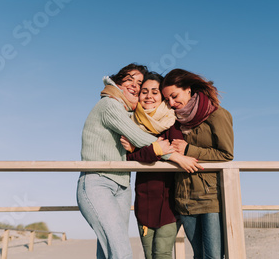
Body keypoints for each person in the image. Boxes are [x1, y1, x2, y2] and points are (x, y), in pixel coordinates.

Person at [77, 63, 173, 259]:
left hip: (122, 186)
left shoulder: (130, 114)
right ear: (118, 82)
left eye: (139, 83)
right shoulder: (110, 105)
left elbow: (135, 142)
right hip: (98, 182)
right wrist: (171, 153)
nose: (135, 85)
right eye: (129, 79)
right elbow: (137, 136)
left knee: (107, 251)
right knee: (122, 252)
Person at [120, 72, 202, 259]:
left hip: (170, 205)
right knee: (149, 255)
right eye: (145, 92)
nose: (149, 96)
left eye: (155, 92)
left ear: (162, 98)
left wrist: (150, 151)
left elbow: (175, 151)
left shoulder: (172, 123)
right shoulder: (133, 124)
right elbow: (130, 157)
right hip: (143, 204)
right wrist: (155, 150)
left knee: (162, 254)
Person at [161, 68, 234, 259]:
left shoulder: (217, 115)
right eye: (167, 99)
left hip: (210, 199)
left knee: (213, 256)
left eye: (174, 96)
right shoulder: (173, 120)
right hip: (183, 199)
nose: (171, 103)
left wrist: (188, 150)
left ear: (188, 89)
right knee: (198, 255)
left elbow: (226, 154)